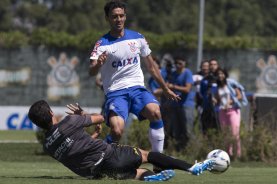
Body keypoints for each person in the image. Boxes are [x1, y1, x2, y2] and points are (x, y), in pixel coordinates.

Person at [28, 100, 215, 181]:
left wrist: (92, 136)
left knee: (137, 173)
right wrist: (82, 114)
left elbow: (74, 150)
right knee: (146, 154)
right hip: (109, 155)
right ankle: (192, 167)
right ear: (51, 112)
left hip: (94, 173)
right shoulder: (70, 121)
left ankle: (151, 178)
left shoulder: (48, 146)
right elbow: (101, 118)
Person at [88, 0, 180, 156]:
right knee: (117, 131)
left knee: (155, 112)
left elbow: (152, 67)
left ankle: (158, 161)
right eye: (114, 16)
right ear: (107, 18)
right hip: (115, 92)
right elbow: (91, 71)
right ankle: (99, 156)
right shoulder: (102, 44)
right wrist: (98, 65)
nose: (118, 20)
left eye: (121, 16)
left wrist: (165, 89)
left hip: (137, 88)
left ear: (125, 16)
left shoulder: (138, 38)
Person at [214, 68, 247, 158]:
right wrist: (215, 100)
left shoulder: (230, 84)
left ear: (225, 75)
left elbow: (239, 95)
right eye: (218, 74)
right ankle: (228, 154)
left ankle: (238, 154)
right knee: (225, 134)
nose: (220, 76)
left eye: (221, 74)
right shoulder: (218, 86)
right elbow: (218, 99)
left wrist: (231, 102)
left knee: (235, 134)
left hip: (233, 110)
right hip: (222, 111)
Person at [166, 57, 195, 149]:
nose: (178, 65)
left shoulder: (187, 73)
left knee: (187, 129)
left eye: (180, 63)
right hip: (175, 105)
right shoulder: (173, 74)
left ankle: (190, 149)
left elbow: (187, 89)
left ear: (184, 64)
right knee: (177, 130)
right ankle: (179, 150)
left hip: (186, 105)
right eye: (177, 63)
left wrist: (173, 86)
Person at [200, 58, 220, 134]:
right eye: (211, 64)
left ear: (218, 66)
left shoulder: (220, 78)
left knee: (218, 131)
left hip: (217, 109)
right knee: (206, 132)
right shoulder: (204, 79)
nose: (212, 66)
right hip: (206, 109)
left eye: (214, 64)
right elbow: (202, 93)